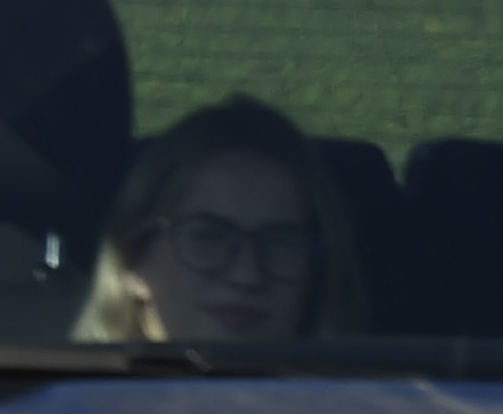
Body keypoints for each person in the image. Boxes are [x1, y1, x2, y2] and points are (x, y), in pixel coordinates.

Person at [78, 96, 361, 345]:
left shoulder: (363, 406)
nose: (247, 276)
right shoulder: (60, 404)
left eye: (280, 245)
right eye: (208, 238)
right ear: (133, 257)